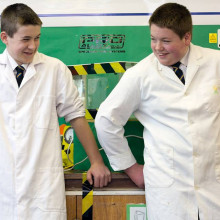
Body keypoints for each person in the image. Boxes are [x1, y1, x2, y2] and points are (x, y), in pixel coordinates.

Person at [95, 2, 220, 220]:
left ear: (186, 37)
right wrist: (131, 167)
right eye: (153, 39)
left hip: (213, 185)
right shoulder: (141, 74)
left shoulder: (215, 62)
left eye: (165, 40)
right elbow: (106, 120)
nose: (157, 47)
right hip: (169, 191)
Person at [0, 3, 111, 219]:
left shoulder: (54, 68)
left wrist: (96, 161)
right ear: (5, 37)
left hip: (43, 186)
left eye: (37, 38)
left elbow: (76, 116)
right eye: (25, 39)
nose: (32, 46)